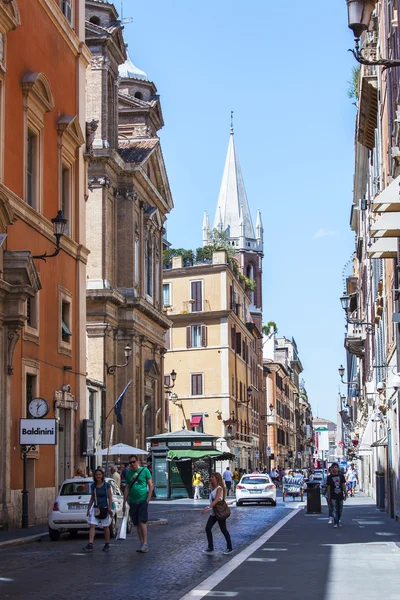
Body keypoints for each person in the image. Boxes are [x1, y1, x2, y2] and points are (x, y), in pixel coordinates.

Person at [123, 454, 153, 553]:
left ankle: (145, 543)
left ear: (137, 462)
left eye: (133, 462)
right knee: (136, 524)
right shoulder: (128, 473)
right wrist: (124, 502)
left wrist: (148, 499)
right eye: (130, 462)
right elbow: (127, 487)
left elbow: (150, 485)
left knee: (142, 522)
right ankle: (141, 543)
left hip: (142, 500)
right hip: (132, 501)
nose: (131, 464)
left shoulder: (145, 471)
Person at [202, 472, 232, 555]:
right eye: (211, 477)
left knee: (223, 530)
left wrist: (208, 508)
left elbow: (216, 500)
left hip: (219, 512)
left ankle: (230, 548)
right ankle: (210, 547)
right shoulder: (212, 488)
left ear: (217, 478)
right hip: (214, 513)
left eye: (212, 477)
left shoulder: (219, 488)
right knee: (208, 528)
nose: (211, 478)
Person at [83, 468, 113, 552]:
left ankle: (107, 544)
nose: (98, 476)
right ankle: (90, 544)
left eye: (100, 474)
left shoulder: (106, 485)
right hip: (96, 508)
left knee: (105, 526)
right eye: (96, 475)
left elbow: (110, 497)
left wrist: (109, 508)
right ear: (94, 476)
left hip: (104, 508)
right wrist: (88, 509)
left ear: (102, 475)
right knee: (92, 525)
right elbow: (92, 498)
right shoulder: (93, 486)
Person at [326, 462, 347, 528]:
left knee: (340, 509)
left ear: (338, 468)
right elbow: (328, 487)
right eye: (333, 467)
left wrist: (345, 493)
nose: (334, 469)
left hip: (340, 495)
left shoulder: (341, 476)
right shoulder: (329, 477)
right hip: (333, 495)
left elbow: (343, 485)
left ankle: (338, 519)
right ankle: (336, 522)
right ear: (331, 469)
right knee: (335, 509)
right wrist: (329, 495)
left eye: (336, 467)